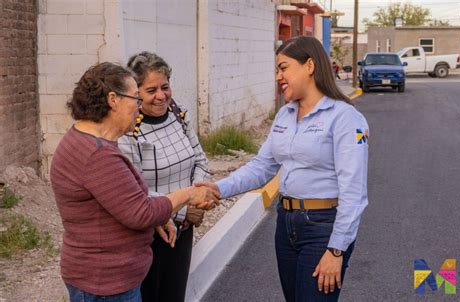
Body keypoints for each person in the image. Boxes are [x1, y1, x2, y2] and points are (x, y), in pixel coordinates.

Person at [197, 36, 369, 301]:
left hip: (322, 228)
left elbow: (353, 191)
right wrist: (218, 188)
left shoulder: (344, 117)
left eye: (284, 67)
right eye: (277, 70)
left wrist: (336, 250)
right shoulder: (285, 114)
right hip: (286, 225)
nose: (278, 76)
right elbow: (262, 167)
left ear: (309, 66)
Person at [50, 62, 219, 302]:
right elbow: (141, 212)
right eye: (135, 98)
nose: (139, 107)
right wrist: (189, 195)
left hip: (105, 280)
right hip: (106, 285)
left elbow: (127, 202)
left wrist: (160, 215)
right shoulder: (97, 153)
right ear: (113, 99)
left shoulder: (88, 140)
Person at [118, 52, 210, 302]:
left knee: (174, 295)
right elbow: (134, 189)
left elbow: (200, 160)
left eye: (165, 87)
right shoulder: (129, 130)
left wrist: (195, 201)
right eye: (151, 90)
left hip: (184, 229)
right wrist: (181, 211)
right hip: (150, 234)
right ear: (135, 92)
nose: (161, 96)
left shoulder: (179, 115)